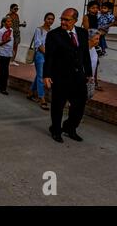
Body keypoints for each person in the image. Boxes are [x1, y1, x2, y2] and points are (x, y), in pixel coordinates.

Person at [44, 8, 92, 143]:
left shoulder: (82, 33)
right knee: (58, 105)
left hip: (79, 77)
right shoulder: (54, 35)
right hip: (60, 76)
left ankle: (70, 128)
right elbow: (49, 57)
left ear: (75, 20)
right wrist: (46, 75)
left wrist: (88, 73)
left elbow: (85, 54)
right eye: (62, 19)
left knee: (79, 104)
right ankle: (55, 129)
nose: (63, 22)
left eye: (67, 20)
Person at [27, 12, 55, 110]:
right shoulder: (39, 30)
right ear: (44, 19)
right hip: (40, 56)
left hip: (48, 56)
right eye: (48, 18)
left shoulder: (52, 32)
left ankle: (30, 93)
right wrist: (48, 54)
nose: (50, 21)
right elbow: (38, 44)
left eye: (52, 19)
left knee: (39, 75)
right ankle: (42, 98)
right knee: (41, 77)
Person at [0, 17, 14, 95]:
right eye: (8, 21)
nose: (10, 23)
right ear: (4, 23)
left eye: (11, 21)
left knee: (3, 70)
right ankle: (3, 88)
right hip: (2, 53)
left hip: (8, 53)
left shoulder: (11, 30)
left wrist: (12, 50)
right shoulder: (1, 31)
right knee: (5, 72)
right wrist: (6, 41)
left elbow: (11, 41)